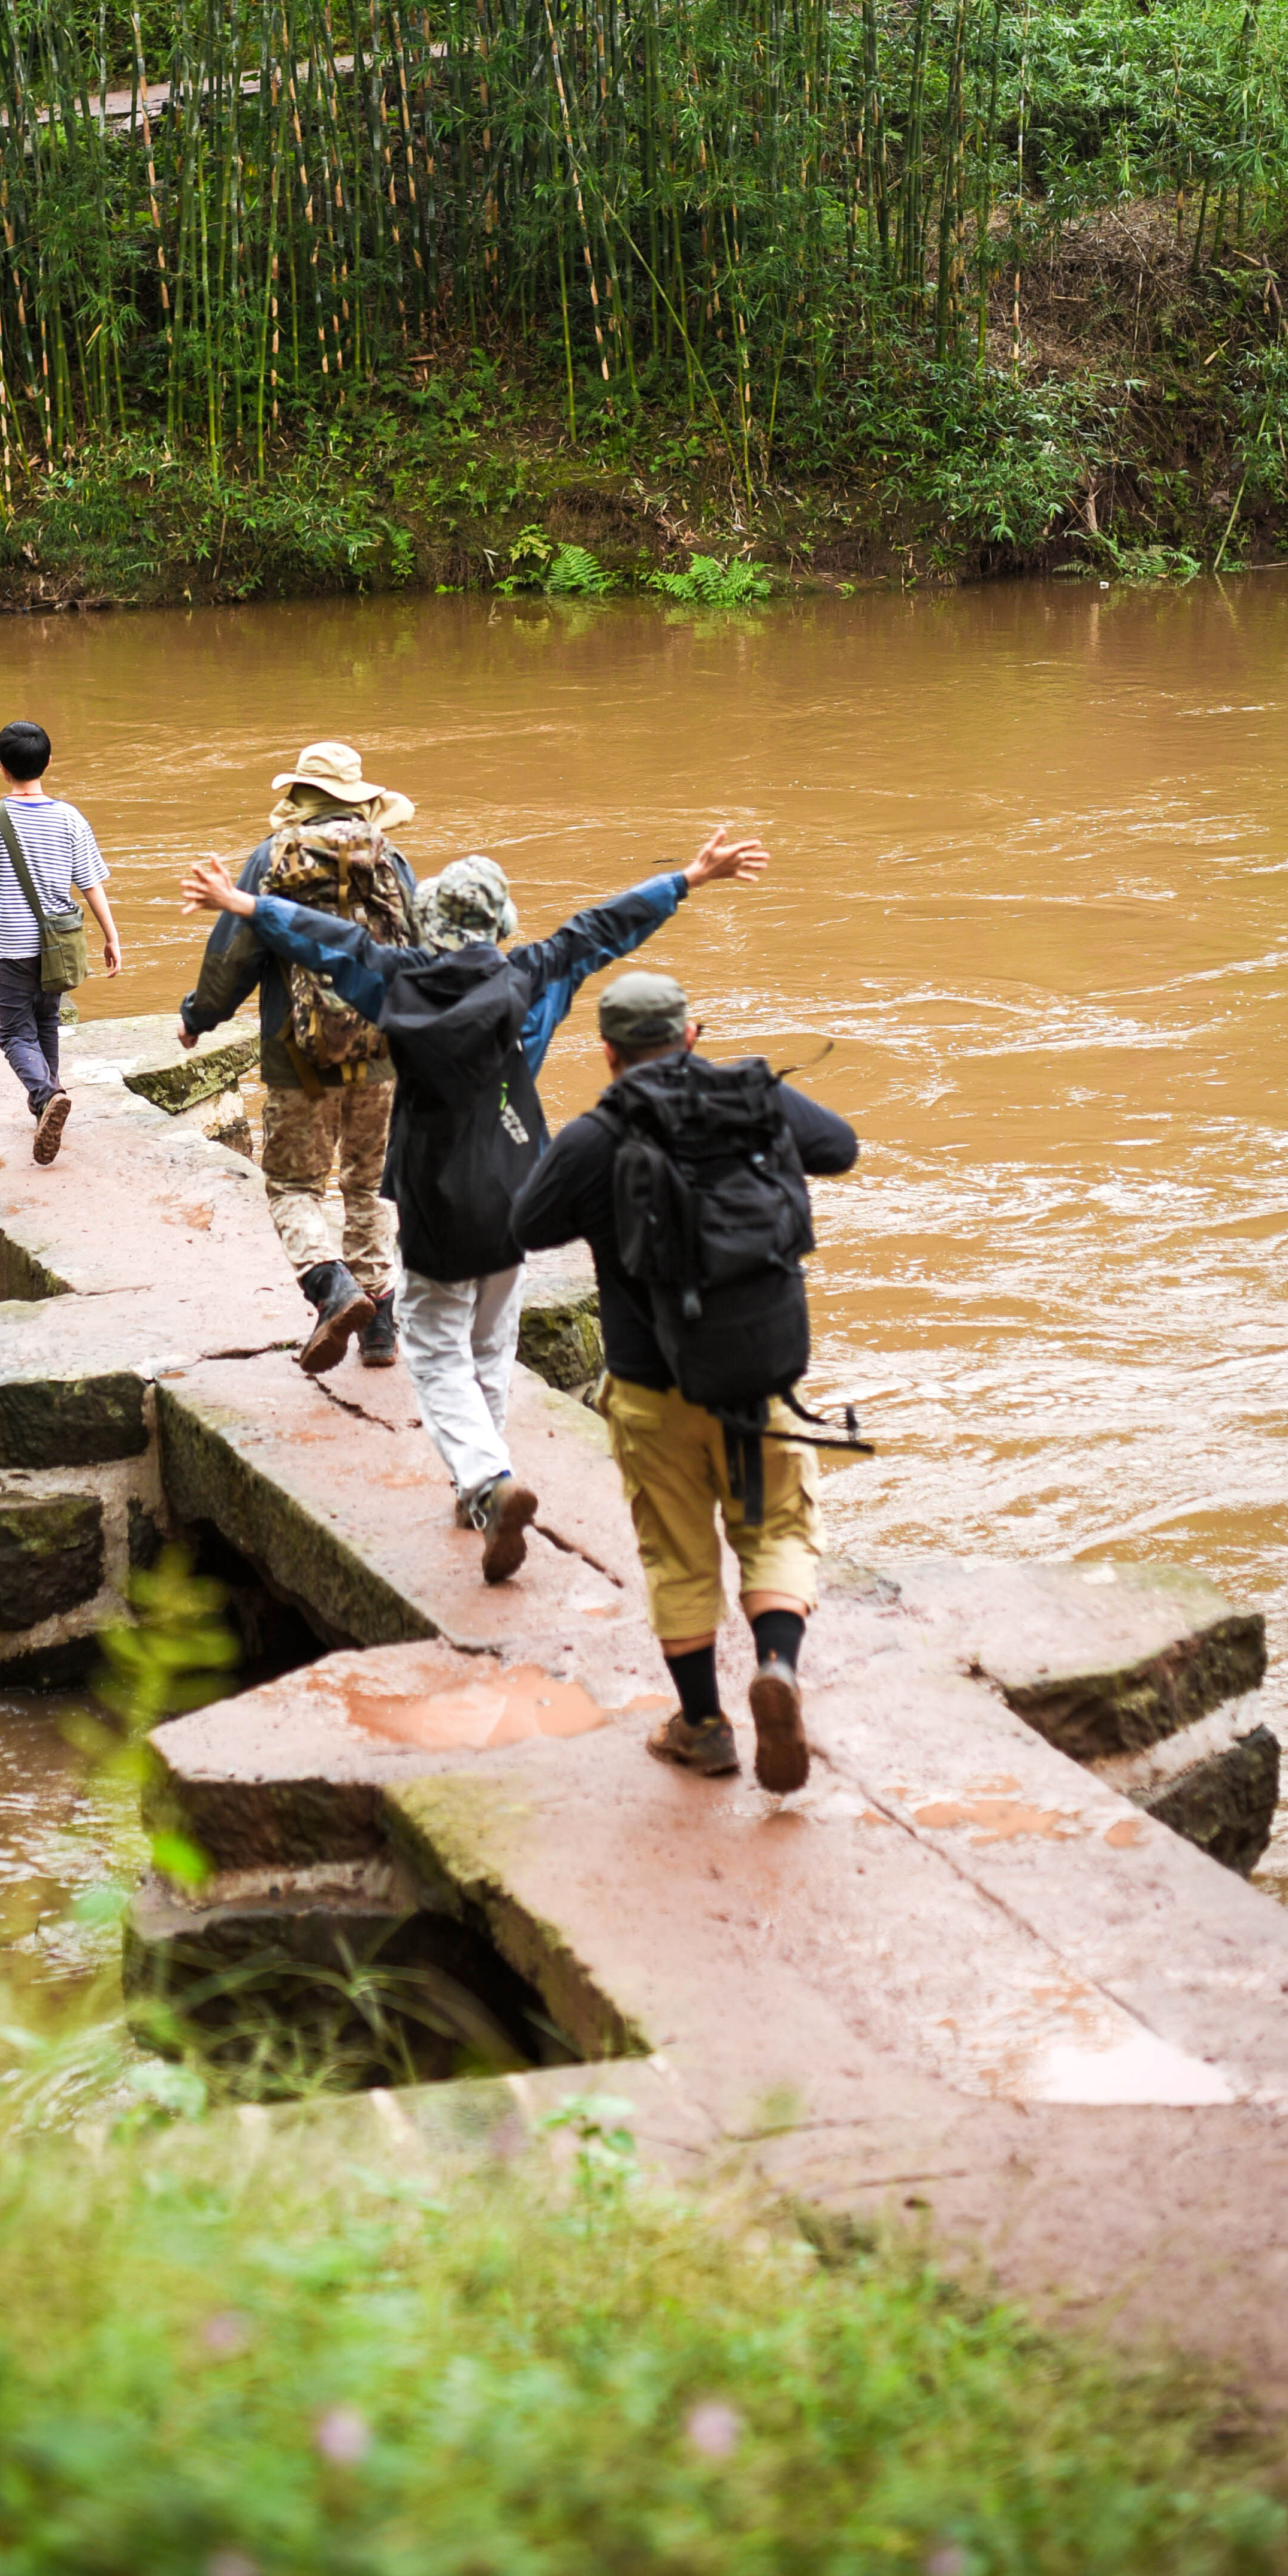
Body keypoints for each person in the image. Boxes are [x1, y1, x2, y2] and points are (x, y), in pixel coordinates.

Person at [179, 825, 769, 1580]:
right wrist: (688, 876)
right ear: (500, 926)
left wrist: (244, 903)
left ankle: (486, 1480)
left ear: (429, 925)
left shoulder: (395, 981)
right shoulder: (534, 974)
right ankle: (480, 1487)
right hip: (521, 1195)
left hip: (435, 1202)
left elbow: (329, 944)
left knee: (433, 1350)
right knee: (492, 1343)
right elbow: (601, 929)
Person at [508, 966, 857, 1795]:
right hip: (760, 1373)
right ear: (691, 1035)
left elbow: (526, 1224)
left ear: (607, 1054)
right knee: (776, 1531)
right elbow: (840, 1148)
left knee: (679, 1556)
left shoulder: (596, 1136)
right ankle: (777, 1666)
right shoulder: (754, 1094)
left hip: (650, 1385)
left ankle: (702, 1727)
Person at [177, 738, 417, 1377]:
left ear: (298, 797)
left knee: (293, 1185)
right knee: (367, 1186)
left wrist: (198, 1017)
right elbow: (419, 947)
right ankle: (381, 1330)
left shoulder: (268, 859)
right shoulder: (389, 858)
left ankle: (332, 1289)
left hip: (299, 1056)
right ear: (358, 799)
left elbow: (236, 956)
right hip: (382, 1051)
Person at [0, 720, 123, 1163]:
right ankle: (47, 1104)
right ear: (49, 762)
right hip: (60, 943)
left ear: (1, 767)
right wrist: (112, 937)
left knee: (14, 1034)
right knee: (46, 1024)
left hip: (13, 946)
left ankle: (46, 1093)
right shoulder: (70, 817)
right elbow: (92, 884)